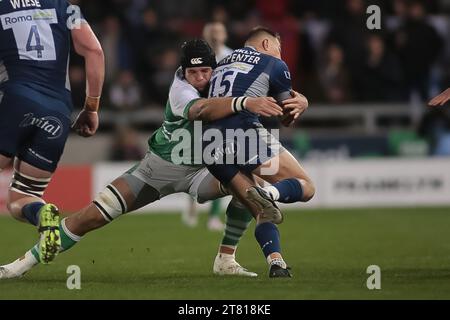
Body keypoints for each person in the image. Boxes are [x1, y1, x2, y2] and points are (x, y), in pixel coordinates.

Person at [0, 39, 302, 279]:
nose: (199, 78)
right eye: (192, 72)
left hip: (205, 170)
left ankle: (227, 258)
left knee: (252, 188)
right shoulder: (180, 91)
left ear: (215, 69)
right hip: (158, 170)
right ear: (182, 72)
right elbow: (201, 111)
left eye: (205, 72)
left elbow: (268, 83)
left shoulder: (223, 78)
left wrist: (300, 99)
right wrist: (243, 102)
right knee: (91, 216)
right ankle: (22, 263)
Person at [203, 27, 314, 277]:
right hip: (244, 134)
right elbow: (288, 114)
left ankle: (276, 264)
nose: (280, 54)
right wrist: (304, 102)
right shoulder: (273, 64)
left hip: (210, 145)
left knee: (261, 210)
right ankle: (268, 192)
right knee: (306, 187)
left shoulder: (221, 63)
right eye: (278, 47)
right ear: (266, 43)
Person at [0, 0, 104, 264]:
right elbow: (94, 50)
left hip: (14, 98)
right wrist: (91, 108)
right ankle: (42, 212)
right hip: (57, 112)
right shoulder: (65, 7)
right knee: (23, 196)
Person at [181, 21, 234, 232]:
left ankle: (213, 216)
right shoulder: (195, 58)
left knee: (221, 165)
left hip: (221, 117)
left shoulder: (231, 56)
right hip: (200, 115)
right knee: (196, 165)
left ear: (225, 34)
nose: (215, 35)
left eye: (219, 31)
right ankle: (192, 207)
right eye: (212, 32)